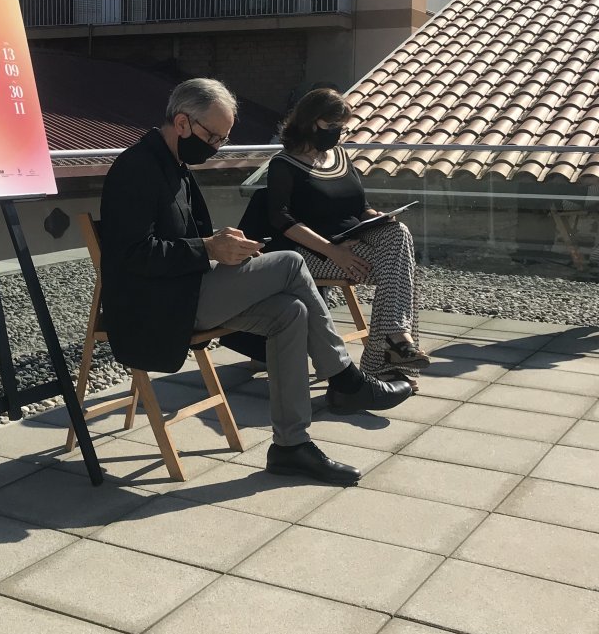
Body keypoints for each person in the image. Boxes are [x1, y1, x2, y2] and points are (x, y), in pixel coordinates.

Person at [100, 78, 412, 486]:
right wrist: (210, 248)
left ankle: (291, 446)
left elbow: (184, 240)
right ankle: (345, 378)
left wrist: (223, 245)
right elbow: (129, 255)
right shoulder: (137, 169)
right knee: (290, 264)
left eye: (223, 139)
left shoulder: (175, 164)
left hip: (184, 288)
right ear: (181, 122)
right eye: (213, 137)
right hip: (157, 304)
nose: (216, 147)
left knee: (291, 311)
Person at [268, 88, 428, 386]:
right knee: (400, 272)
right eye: (332, 126)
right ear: (311, 121)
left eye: (342, 127)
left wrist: (376, 217)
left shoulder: (339, 156)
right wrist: (333, 250)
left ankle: (392, 345)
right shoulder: (284, 165)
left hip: (355, 240)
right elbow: (281, 220)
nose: (338, 133)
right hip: (311, 253)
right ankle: (389, 353)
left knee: (398, 233)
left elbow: (360, 206)